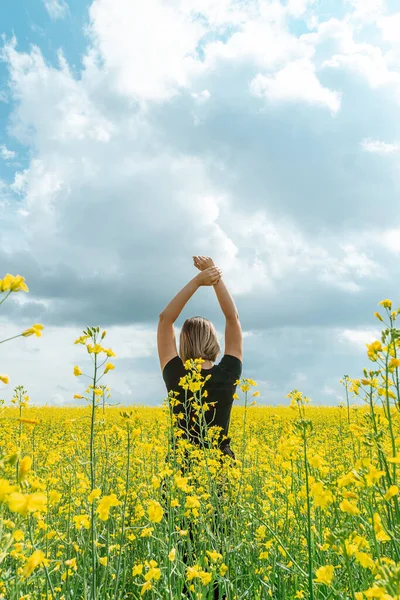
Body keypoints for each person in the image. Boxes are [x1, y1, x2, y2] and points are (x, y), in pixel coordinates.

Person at [157, 255, 243, 599]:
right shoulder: (227, 375)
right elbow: (232, 318)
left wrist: (197, 282)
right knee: (217, 554)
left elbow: (165, 319)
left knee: (184, 560)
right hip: (221, 471)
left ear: (183, 344)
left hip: (180, 470)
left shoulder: (175, 374)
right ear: (214, 343)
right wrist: (216, 278)